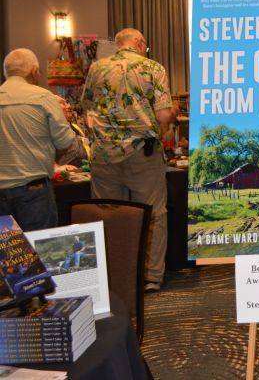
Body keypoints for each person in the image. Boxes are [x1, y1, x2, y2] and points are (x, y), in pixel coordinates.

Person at [81, 28, 176, 292]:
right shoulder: (153, 68)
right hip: (142, 154)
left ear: (119, 44)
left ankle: (114, 277)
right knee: (154, 213)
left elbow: (86, 107)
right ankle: (151, 277)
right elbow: (164, 115)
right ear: (140, 43)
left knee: (107, 214)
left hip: (103, 156)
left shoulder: (97, 68)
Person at [0, 48, 77, 231]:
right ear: (34, 72)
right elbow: (65, 142)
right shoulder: (43, 97)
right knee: (41, 252)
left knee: (8, 256)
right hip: (34, 192)